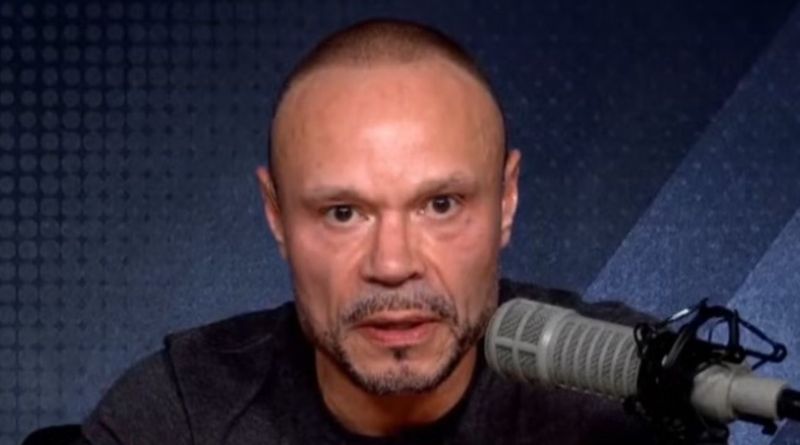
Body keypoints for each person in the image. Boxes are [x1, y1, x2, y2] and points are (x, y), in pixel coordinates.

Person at [78, 19, 657, 444]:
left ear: (507, 201)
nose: (392, 264)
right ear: (276, 215)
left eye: (440, 204)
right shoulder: (182, 414)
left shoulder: (633, 385)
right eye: (343, 213)